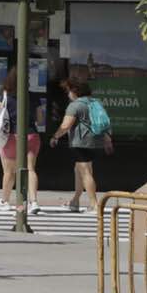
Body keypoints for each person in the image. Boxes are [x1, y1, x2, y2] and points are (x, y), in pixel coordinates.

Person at [50, 76, 109, 213]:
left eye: (69, 91)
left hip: (81, 142)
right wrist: (107, 139)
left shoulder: (75, 105)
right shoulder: (95, 102)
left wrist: (55, 136)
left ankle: (94, 204)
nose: (68, 94)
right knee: (79, 170)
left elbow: (65, 126)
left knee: (86, 172)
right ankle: (75, 201)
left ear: (75, 91)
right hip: (96, 141)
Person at [0, 87, 42, 211]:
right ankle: (34, 202)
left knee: (9, 171)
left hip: (12, 136)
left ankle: (4, 200)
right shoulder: (34, 96)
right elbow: (40, 119)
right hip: (32, 135)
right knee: (31, 168)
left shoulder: (4, 97)